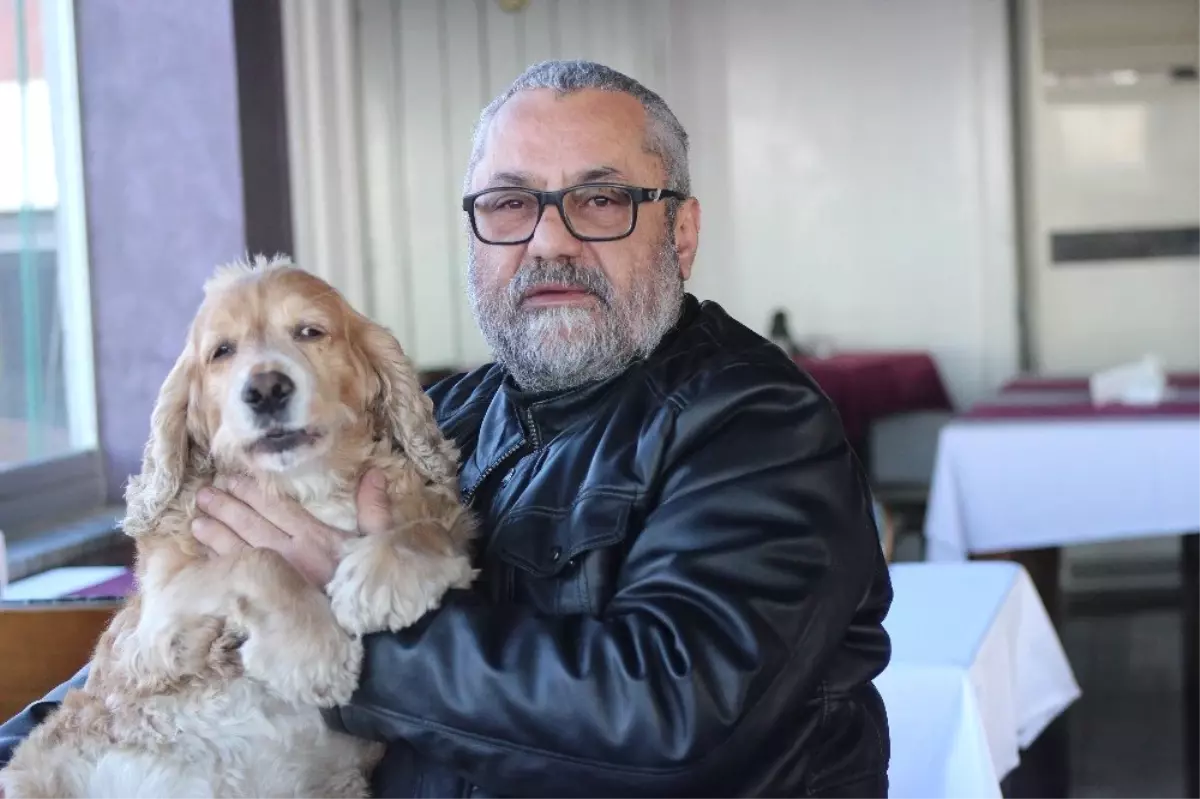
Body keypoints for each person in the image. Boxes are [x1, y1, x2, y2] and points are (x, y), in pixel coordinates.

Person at [0, 60, 892, 798]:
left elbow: (673, 718)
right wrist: (26, 749)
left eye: (600, 199)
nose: (548, 242)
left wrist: (331, 612)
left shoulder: (757, 425)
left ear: (681, 232)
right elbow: (161, 645)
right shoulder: (452, 415)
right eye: (510, 204)